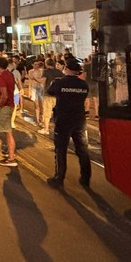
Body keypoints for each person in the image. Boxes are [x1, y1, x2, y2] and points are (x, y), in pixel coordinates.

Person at [46, 57, 91, 189]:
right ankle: (85, 178)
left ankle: (59, 179)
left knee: (61, 150)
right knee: (82, 150)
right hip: (79, 120)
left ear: (67, 69)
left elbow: (50, 92)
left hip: (63, 120)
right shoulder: (83, 85)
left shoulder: (60, 82)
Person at [0, 57, 18, 167]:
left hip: (5, 106)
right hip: (10, 105)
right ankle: (11, 153)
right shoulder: (9, 74)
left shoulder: (1, 77)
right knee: (8, 131)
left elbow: (4, 95)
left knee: (8, 132)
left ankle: (11, 158)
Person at [40, 58, 62, 134]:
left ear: (46, 64)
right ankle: (59, 129)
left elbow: (43, 82)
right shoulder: (59, 72)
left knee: (47, 112)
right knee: (58, 113)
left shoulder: (45, 72)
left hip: (48, 94)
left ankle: (46, 129)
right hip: (58, 95)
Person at [28, 60, 46, 129]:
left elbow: (42, 80)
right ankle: (38, 120)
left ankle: (43, 119)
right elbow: (30, 82)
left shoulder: (41, 71)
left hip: (40, 88)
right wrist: (29, 91)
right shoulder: (30, 71)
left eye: (37, 64)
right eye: (34, 64)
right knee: (36, 105)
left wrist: (35, 78)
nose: (36, 66)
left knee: (42, 105)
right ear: (32, 65)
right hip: (34, 88)